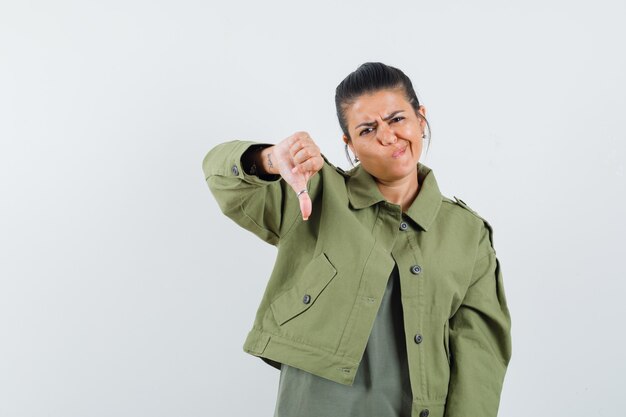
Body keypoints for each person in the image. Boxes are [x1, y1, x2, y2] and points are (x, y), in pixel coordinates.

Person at [201, 62, 512, 417]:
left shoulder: (467, 233)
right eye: (368, 129)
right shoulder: (313, 192)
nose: (388, 137)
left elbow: (481, 356)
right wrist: (271, 158)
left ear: (420, 119)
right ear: (349, 144)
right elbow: (221, 177)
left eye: (397, 119)